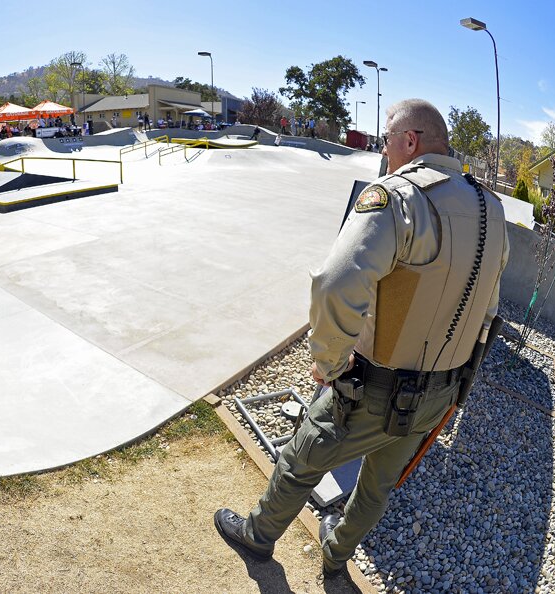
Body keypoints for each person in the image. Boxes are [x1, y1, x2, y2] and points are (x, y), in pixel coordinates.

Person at [214, 99, 510, 583]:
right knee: (377, 487)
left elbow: (335, 282)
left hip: (373, 389)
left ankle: (258, 536)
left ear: (409, 141)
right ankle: (335, 558)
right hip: (440, 393)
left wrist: (328, 362)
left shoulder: (401, 197)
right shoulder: (492, 211)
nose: (383, 150)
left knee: (299, 459)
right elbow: (489, 310)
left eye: (387, 140)